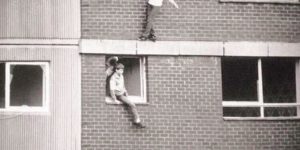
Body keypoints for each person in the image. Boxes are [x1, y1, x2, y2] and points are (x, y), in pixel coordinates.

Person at [109, 63, 146, 128]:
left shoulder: (121, 76)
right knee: (132, 104)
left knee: (131, 102)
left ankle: (136, 120)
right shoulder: (113, 78)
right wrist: (114, 99)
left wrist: (126, 92)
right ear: (116, 70)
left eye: (122, 70)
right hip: (118, 95)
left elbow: (122, 85)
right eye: (120, 70)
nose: (122, 72)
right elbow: (112, 90)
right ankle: (137, 121)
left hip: (122, 93)